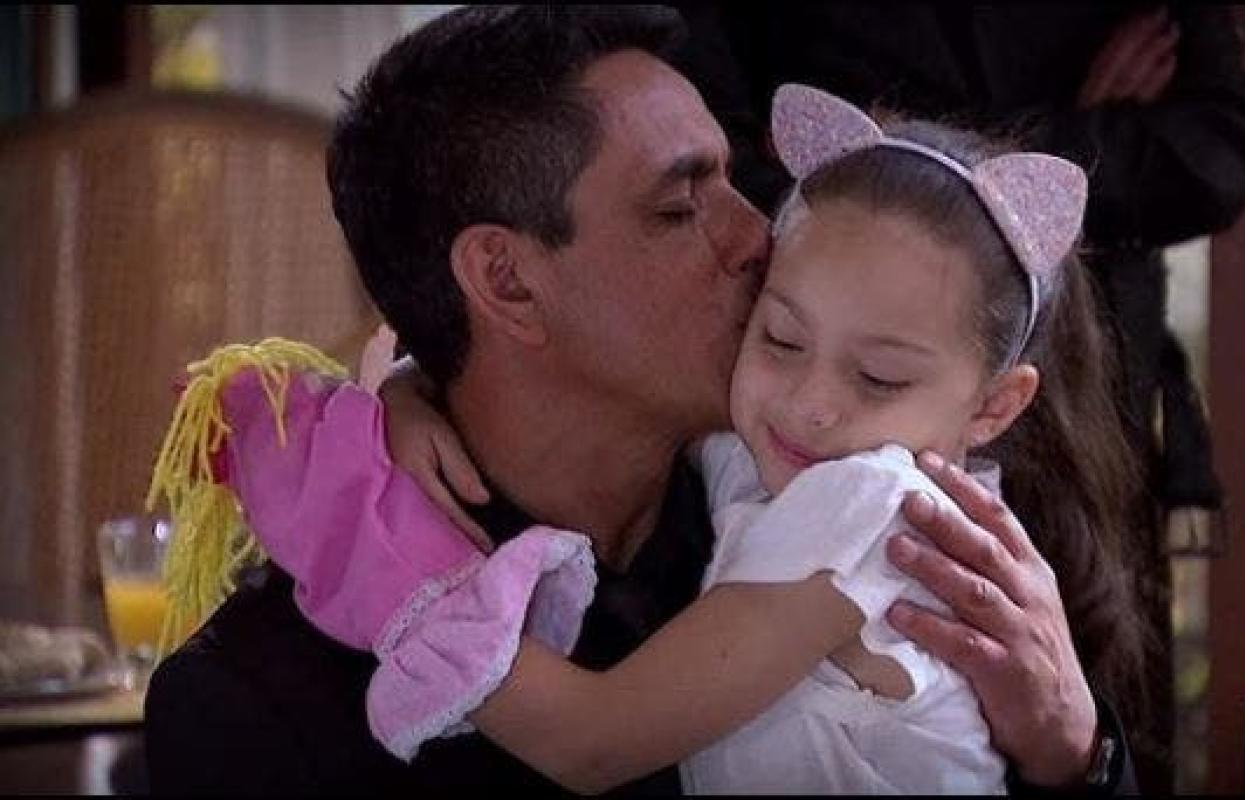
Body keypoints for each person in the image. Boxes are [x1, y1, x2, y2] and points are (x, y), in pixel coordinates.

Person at [144, 6, 1134, 794]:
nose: (756, 237)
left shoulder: (856, 499)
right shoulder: (262, 704)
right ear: (506, 282)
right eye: (677, 206)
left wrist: (1076, 755)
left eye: (735, 181)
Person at [665, 4, 1245, 788]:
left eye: (878, 376)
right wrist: (1036, 151)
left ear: (996, 404)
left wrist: (959, 191)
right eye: (782, 341)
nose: (814, 400)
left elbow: (1216, 149)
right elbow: (714, 148)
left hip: (1082, 411)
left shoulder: (880, 493)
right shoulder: (736, 440)